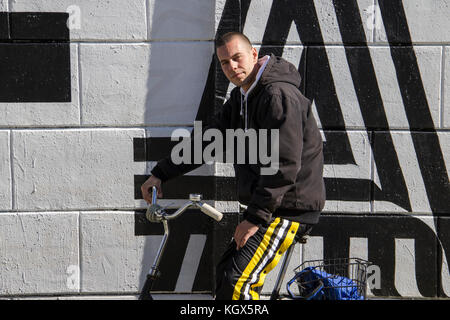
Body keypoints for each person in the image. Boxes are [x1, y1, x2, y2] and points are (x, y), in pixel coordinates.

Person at [141, 32, 325, 300]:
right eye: (225, 62)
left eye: (237, 58)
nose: (232, 67)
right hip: (268, 208)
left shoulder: (277, 95)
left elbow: (284, 164)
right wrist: (160, 173)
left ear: (253, 55)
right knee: (226, 276)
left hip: (287, 208)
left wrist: (254, 217)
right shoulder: (243, 98)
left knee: (237, 283)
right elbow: (208, 140)